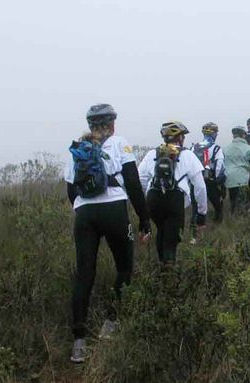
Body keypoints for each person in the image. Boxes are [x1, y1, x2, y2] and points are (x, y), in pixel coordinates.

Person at [65, 104, 151, 363]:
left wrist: (84, 212)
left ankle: (79, 341)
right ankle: (111, 324)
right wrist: (144, 218)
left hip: (85, 215)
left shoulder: (77, 149)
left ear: (91, 126)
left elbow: (71, 191)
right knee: (124, 267)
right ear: (112, 125)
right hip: (114, 210)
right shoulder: (119, 143)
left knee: (84, 274)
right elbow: (134, 184)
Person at [138, 121, 207, 267]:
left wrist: (146, 199)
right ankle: (168, 274)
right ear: (180, 138)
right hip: (175, 199)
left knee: (162, 230)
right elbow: (200, 187)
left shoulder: (152, 153)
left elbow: (141, 179)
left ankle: (161, 263)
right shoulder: (188, 155)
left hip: (153, 198)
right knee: (172, 237)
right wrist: (202, 213)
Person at [190, 122, 225, 241]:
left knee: (195, 208)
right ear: (214, 133)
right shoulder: (216, 148)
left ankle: (194, 237)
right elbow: (219, 166)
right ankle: (218, 229)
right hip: (210, 182)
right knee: (218, 206)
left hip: (195, 181)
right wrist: (218, 182)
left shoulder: (194, 147)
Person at [223, 126, 250, 214]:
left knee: (233, 201)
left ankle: (232, 220)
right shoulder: (247, 148)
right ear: (244, 135)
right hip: (242, 179)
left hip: (229, 179)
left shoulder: (226, 148)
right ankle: (241, 221)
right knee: (243, 202)